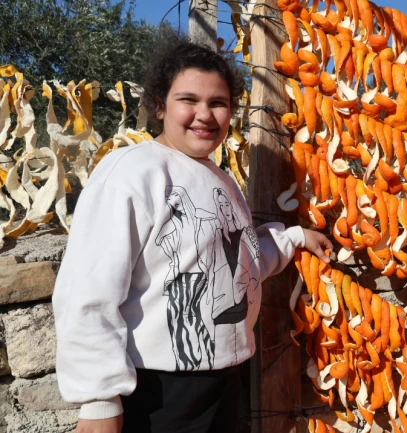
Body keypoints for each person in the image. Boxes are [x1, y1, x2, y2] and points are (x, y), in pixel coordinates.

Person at [52, 41, 332, 433]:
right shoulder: (132, 172)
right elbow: (87, 291)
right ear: (160, 106)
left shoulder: (220, 179)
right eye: (188, 99)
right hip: (159, 391)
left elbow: (240, 265)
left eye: (218, 102)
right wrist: (99, 401)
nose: (205, 114)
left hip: (225, 382)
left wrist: (294, 238)